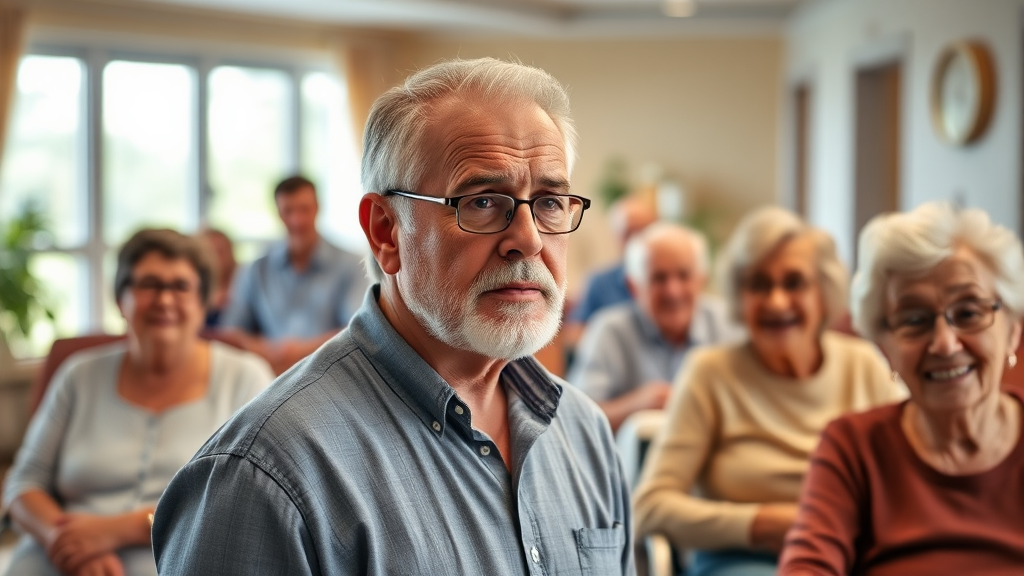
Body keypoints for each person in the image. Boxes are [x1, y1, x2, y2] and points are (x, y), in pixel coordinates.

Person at [152, 57, 634, 576]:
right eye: (481, 202)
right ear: (386, 231)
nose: (529, 239)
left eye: (550, 202)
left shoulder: (582, 430)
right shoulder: (265, 476)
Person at [633, 206, 903, 576]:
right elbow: (650, 506)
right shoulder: (710, 372)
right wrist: (763, 523)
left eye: (794, 283)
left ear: (823, 293)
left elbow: (912, 472)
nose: (777, 301)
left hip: (853, 553)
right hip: (744, 559)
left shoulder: (864, 365)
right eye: (759, 284)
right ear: (739, 297)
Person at [1, 228, 273, 576]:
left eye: (180, 286)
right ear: (121, 299)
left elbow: (246, 501)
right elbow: (23, 482)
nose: (164, 300)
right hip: (57, 559)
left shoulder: (246, 377)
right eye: (148, 284)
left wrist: (115, 530)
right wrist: (66, 542)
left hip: (183, 557)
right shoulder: (78, 375)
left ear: (204, 302)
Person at [779, 202, 1024, 575]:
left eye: (969, 312)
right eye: (914, 320)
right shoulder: (853, 447)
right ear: (884, 347)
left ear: (1013, 331)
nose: (944, 343)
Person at [568, 222, 742, 431]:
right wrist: (635, 407)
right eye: (659, 278)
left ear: (701, 280)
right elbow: (575, 419)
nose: (673, 291)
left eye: (684, 276)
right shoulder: (608, 330)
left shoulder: (731, 325)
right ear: (634, 286)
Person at [221, 175, 368, 373]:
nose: (297, 220)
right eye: (288, 211)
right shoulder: (256, 269)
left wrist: (301, 351)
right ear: (278, 214)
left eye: (304, 210)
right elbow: (231, 330)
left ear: (318, 208)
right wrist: (270, 350)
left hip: (331, 372)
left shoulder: (352, 264)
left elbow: (357, 328)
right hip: (269, 375)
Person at [563, 194, 658, 348]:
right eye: (629, 233)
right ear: (617, 237)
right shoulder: (599, 282)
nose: (636, 240)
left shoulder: (673, 283)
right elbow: (573, 333)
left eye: (643, 231)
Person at [197, 227, 236, 328]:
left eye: (222, 250)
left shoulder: (246, 281)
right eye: (212, 251)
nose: (218, 257)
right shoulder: (194, 285)